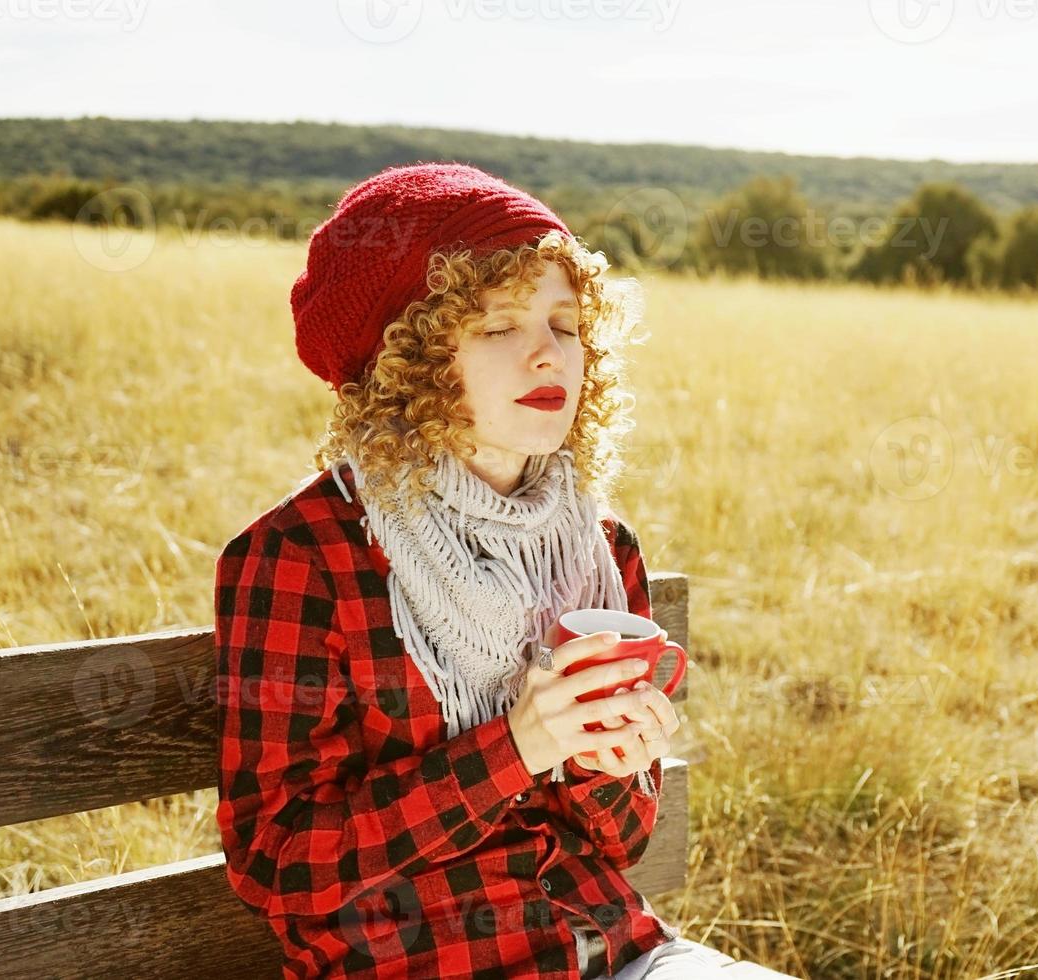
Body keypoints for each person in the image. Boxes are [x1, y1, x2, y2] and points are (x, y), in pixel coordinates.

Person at [213, 163, 798, 979]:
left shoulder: (597, 547)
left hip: (625, 954)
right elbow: (282, 871)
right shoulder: (307, 555)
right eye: (499, 328)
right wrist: (514, 747)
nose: (548, 356)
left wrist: (612, 766)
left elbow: (622, 843)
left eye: (565, 325)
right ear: (409, 359)